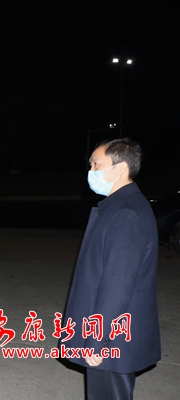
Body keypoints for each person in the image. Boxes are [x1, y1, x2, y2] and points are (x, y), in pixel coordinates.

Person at [63, 138, 160, 400]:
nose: (91, 170)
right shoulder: (121, 207)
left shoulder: (126, 214)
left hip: (112, 338)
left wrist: (98, 340)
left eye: (96, 164)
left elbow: (117, 286)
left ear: (120, 169)